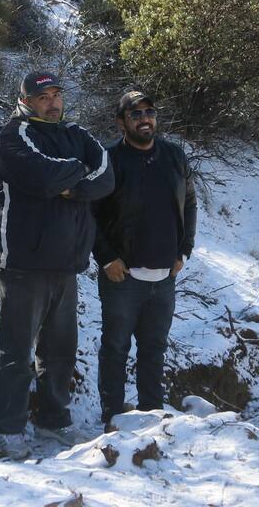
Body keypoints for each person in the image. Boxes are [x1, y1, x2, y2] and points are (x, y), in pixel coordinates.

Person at [0, 71, 115, 459]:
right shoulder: (14, 136)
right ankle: (7, 429)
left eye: (57, 95)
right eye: (43, 96)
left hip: (67, 264)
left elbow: (106, 177)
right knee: (15, 350)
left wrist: (67, 181)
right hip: (23, 264)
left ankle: (53, 419)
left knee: (60, 351)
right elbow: (41, 177)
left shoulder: (77, 134)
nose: (53, 102)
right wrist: (78, 173)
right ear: (26, 99)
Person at [93, 91, 197, 428]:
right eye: (135, 113)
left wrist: (184, 250)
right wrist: (107, 258)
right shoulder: (109, 159)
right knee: (116, 349)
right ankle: (112, 418)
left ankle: (153, 416)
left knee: (154, 350)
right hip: (123, 279)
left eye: (149, 112)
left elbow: (190, 202)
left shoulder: (173, 155)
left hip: (165, 277)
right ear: (121, 120)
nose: (144, 119)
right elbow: (89, 213)